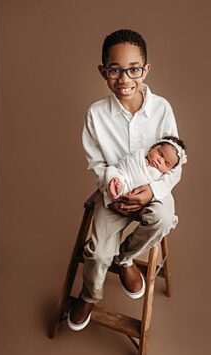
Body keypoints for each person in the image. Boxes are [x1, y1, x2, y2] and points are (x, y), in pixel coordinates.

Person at [70, 29, 181, 331]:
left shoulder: (162, 109)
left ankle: (125, 258)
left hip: (151, 192)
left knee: (163, 216)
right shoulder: (96, 114)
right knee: (96, 252)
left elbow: (176, 163)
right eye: (114, 70)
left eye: (133, 70)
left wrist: (152, 191)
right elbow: (96, 162)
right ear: (102, 71)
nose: (124, 79)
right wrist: (111, 188)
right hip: (112, 194)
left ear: (145, 70)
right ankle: (89, 295)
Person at [106, 136, 187, 204]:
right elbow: (126, 161)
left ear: (170, 170)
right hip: (123, 175)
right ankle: (117, 186)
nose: (160, 160)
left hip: (134, 190)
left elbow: (157, 187)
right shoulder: (139, 155)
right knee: (110, 170)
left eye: (166, 163)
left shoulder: (159, 175)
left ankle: (120, 190)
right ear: (152, 147)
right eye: (160, 154)